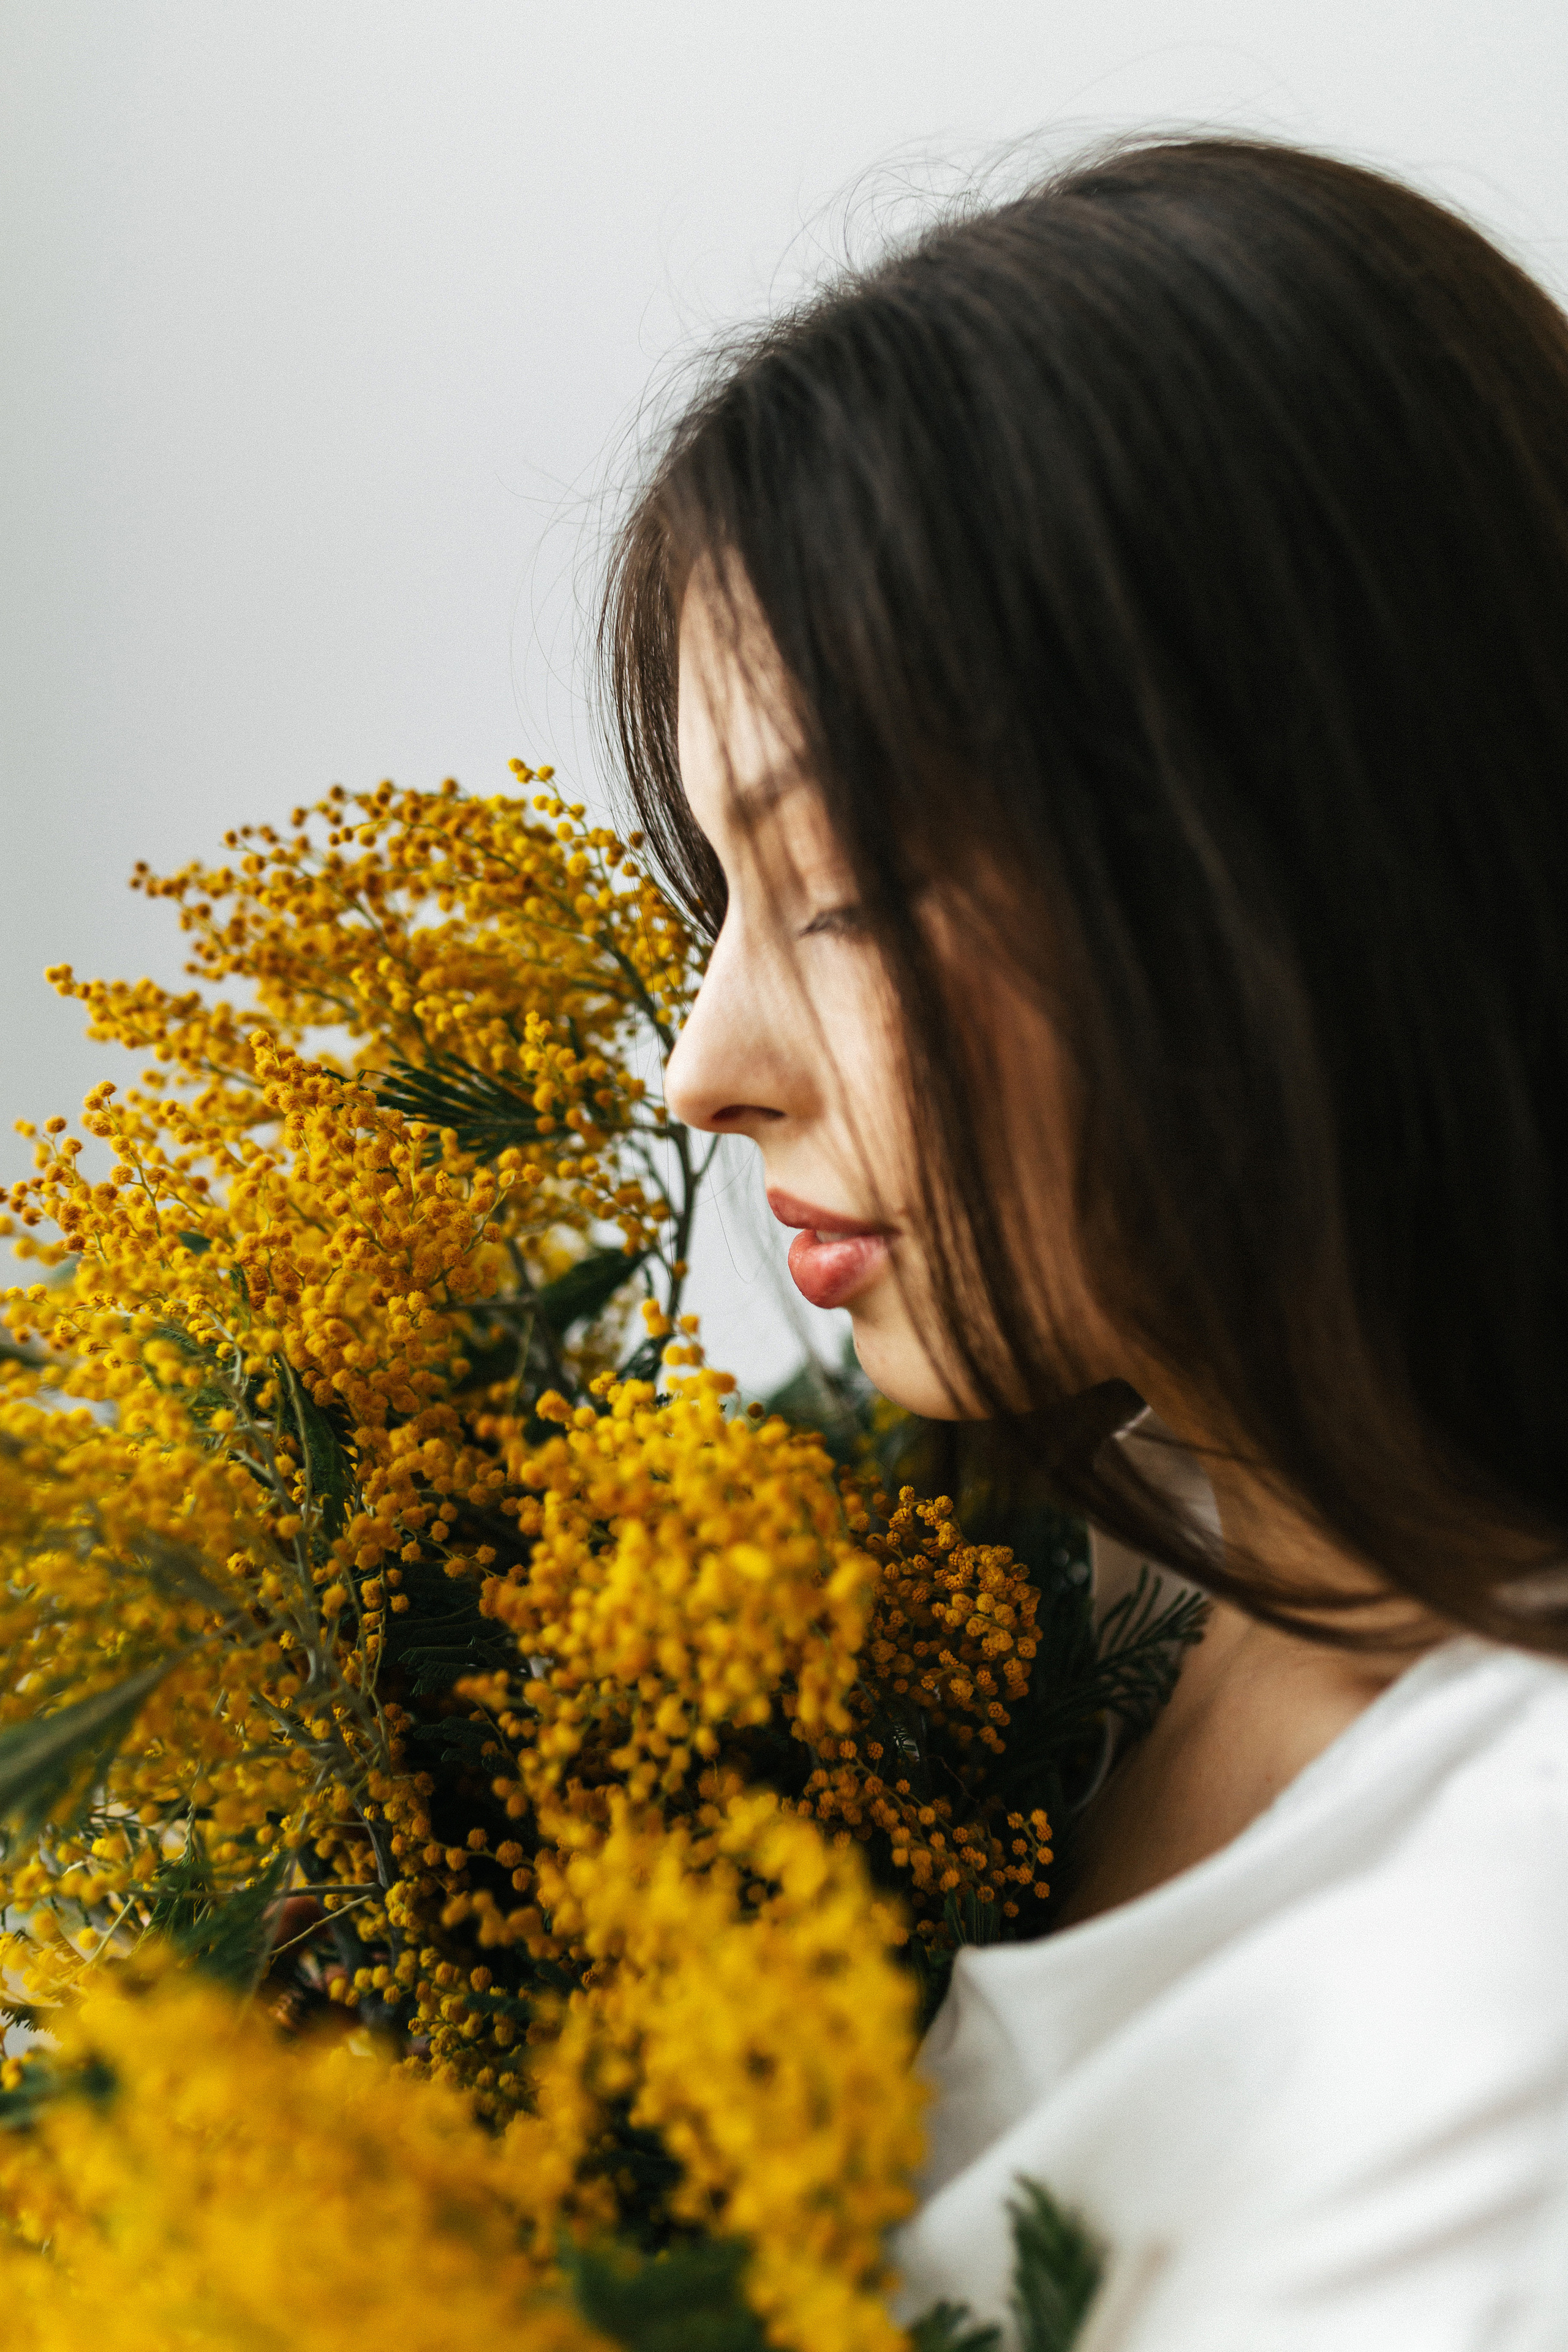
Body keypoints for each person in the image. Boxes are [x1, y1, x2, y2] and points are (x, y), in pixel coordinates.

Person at [601, 136, 1568, 2350]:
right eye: (713, 898)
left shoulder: (1508, 1997)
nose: (701, 1066)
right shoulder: (1059, 1584)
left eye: (831, 883)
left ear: (1291, 877)